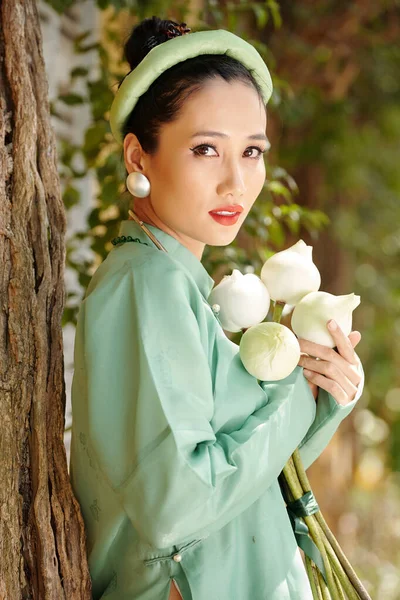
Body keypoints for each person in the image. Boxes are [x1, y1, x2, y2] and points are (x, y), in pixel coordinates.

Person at [69, 16, 364, 600]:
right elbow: (178, 504)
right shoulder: (145, 287)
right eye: (206, 149)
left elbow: (241, 488)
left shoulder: (185, 286)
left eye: (252, 151)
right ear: (138, 156)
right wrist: (294, 403)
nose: (237, 180)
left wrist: (323, 393)